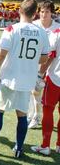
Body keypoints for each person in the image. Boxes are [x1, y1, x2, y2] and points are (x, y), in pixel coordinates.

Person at [0, 0, 49, 158]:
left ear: (20, 11)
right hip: (27, 80)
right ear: (35, 14)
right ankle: (19, 149)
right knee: (22, 115)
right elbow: (44, 58)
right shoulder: (41, 32)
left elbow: (2, 54)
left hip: (8, 77)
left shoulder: (12, 29)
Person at [27, 0, 60, 129]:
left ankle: (36, 116)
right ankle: (33, 114)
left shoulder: (57, 28)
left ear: (51, 13)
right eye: (42, 11)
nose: (44, 14)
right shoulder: (33, 25)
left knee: (38, 91)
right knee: (33, 91)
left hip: (51, 66)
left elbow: (53, 52)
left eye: (47, 12)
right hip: (33, 63)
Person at [31, 17, 60, 155]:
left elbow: (50, 56)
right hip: (55, 77)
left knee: (48, 110)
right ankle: (59, 145)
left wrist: (40, 74)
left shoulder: (57, 33)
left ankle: (45, 146)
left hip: (55, 78)